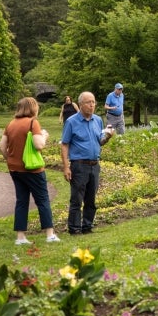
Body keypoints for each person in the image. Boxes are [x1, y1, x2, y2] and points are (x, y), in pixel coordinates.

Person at [0, 97, 59, 245]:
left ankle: (20, 237)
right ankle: (50, 234)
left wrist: (11, 159)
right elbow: (39, 145)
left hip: (15, 169)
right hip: (33, 170)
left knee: (21, 201)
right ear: (32, 108)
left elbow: (1, 147)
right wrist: (44, 135)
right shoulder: (33, 123)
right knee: (43, 200)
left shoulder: (10, 124)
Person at [61, 91, 115, 235]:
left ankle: (87, 226)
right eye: (88, 102)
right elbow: (65, 144)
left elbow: (100, 141)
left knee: (91, 199)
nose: (92, 105)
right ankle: (74, 228)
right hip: (79, 164)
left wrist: (108, 136)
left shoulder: (97, 120)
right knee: (77, 199)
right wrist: (66, 167)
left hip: (94, 164)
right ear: (80, 104)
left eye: (93, 102)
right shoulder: (72, 121)